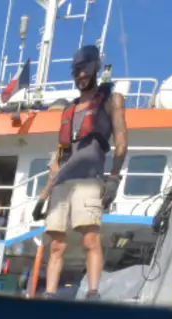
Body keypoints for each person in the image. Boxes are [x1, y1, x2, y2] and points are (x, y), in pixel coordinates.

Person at [36, 44, 126, 300]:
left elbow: (121, 141)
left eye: (85, 68)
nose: (80, 75)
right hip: (62, 184)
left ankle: (93, 293)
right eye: (75, 70)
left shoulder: (112, 100)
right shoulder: (68, 110)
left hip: (89, 181)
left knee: (90, 239)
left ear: (97, 66)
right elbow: (58, 158)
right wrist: (43, 197)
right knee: (56, 245)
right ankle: (50, 294)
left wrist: (114, 178)